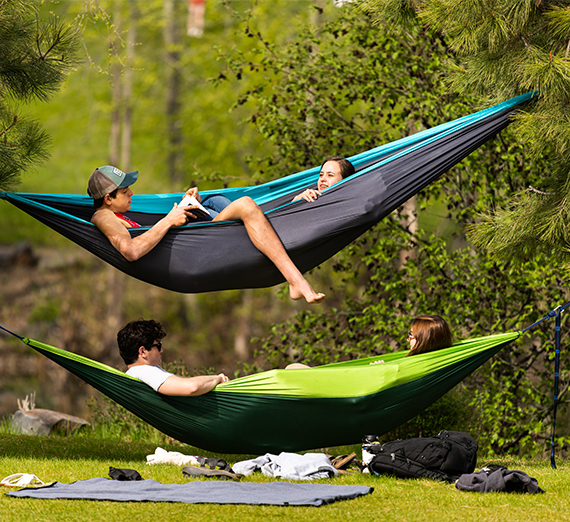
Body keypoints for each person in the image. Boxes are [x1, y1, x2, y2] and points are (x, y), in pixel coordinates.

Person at [87, 165, 325, 304]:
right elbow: (131, 251)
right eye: (125, 191)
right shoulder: (104, 216)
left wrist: (187, 205)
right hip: (194, 251)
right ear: (108, 198)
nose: (132, 194)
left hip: (196, 233)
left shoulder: (117, 212)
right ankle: (297, 281)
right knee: (245, 205)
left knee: (215, 200)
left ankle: (288, 208)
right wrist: (170, 219)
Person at [286, 314, 453, 369]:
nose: (407, 338)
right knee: (293, 369)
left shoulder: (413, 366)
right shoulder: (422, 363)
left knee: (292, 369)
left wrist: (380, 371)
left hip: (348, 395)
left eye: (411, 334)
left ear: (425, 339)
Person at [118, 319, 229, 396]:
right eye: (158, 346)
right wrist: (218, 378)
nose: (161, 350)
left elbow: (183, 382)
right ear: (142, 352)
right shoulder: (144, 371)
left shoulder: (134, 374)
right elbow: (192, 387)